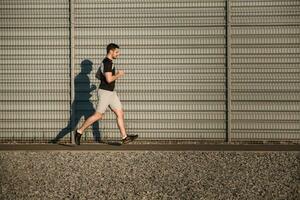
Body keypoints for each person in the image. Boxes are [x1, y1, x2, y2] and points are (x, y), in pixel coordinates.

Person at [74, 43, 138, 145]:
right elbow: (108, 79)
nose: (118, 54)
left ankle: (124, 137)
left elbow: (97, 75)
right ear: (111, 51)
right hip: (105, 93)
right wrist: (118, 74)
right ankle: (79, 131)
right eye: (117, 52)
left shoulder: (106, 62)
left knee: (120, 113)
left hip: (111, 93)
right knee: (98, 115)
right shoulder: (107, 63)